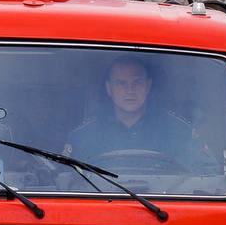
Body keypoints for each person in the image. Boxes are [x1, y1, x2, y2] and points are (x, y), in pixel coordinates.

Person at [67, 56, 198, 168]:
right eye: (121, 83)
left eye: (137, 82)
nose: (130, 90)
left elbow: (208, 175)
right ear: (109, 88)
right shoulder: (83, 137)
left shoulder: (179, 132)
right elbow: (67, 180)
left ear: (148, 86)